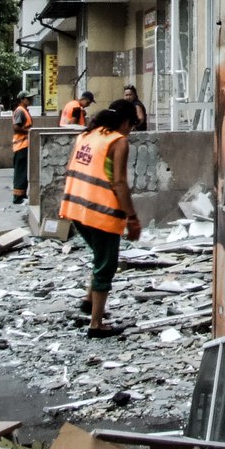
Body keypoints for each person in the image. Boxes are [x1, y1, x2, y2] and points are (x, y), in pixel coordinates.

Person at [59, 99, 142, 338]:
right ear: (125, 121)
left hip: (76, 208)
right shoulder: (118, 141)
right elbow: (119, 183)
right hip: (102, 213)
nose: (131, 130)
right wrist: (132, 218)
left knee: (99, 257)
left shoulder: (87, 135)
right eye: (132, 125)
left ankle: (88, 299)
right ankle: (96, 324)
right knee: (106, 265)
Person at [11, 90, 34, 205]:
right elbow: (16, 127)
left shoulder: (24, 110)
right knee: (21, 172)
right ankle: (18, 197)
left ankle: (21, 195)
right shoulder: (20, 111)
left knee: (24, 172)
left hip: (24, 145)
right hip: (21, 145)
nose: (31, 100)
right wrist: (29, 131)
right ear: (22, 99)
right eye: (28, 98)